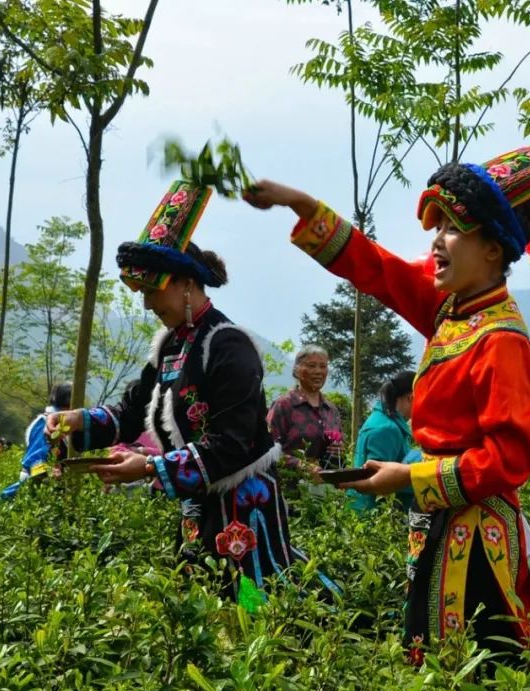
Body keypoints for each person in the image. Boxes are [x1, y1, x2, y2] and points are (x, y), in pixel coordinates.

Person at [244, 145, 530, 672]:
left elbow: (509, 460)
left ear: (493, 249)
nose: (436, 241)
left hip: (479, 544)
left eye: (451, 228)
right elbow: (379, 270)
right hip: (436, 524)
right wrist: (304, 205)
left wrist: (411, 475)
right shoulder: (451, 313)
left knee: (493, 668)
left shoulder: (501, 339)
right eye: (438, 227)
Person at [45, 181, 305, 607]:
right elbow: (132, 412)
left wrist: (149, 469)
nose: (147, 303)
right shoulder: (170, 345)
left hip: (243, 507)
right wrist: (79, 420)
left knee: (255, 616)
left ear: (186, 283)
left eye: (152, 291)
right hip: (196, 506)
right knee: (195, 619)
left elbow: (232, 443)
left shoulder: (229, 346)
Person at [267, 346, 345, 476]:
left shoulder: (331, 410)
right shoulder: (284, 405)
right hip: (290, 488)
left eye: (323, 366)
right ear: (297, 371)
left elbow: (339, 445)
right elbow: (267, 450)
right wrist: (302, 465)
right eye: (311, 365)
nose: (318, 371)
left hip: (327, 490)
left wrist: (338, 451)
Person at [348, 370, 416, 515]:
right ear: (411, 398)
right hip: (372, 517)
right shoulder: (387, 428)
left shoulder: (385, 421)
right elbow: (378, 482)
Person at [0, 382, 72, 500]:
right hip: (38, 485)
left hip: (52, 484)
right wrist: (49, 471)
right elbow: (33, 461)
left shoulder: (61, 422)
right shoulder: (45, 423)